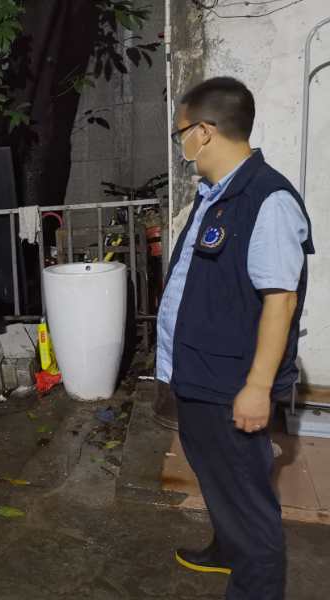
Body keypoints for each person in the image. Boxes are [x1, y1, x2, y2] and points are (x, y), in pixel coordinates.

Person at [157, 78, 313, 600]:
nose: (180, 143)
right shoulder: (217, 194)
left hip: (231, 386)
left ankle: (254, 583)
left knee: (249, 510)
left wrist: (257, 388)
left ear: (203, 132)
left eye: (181, 132)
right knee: (219, 480)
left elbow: (280, 301)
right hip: (200, 375)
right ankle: (227, 547)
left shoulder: (267, 200)